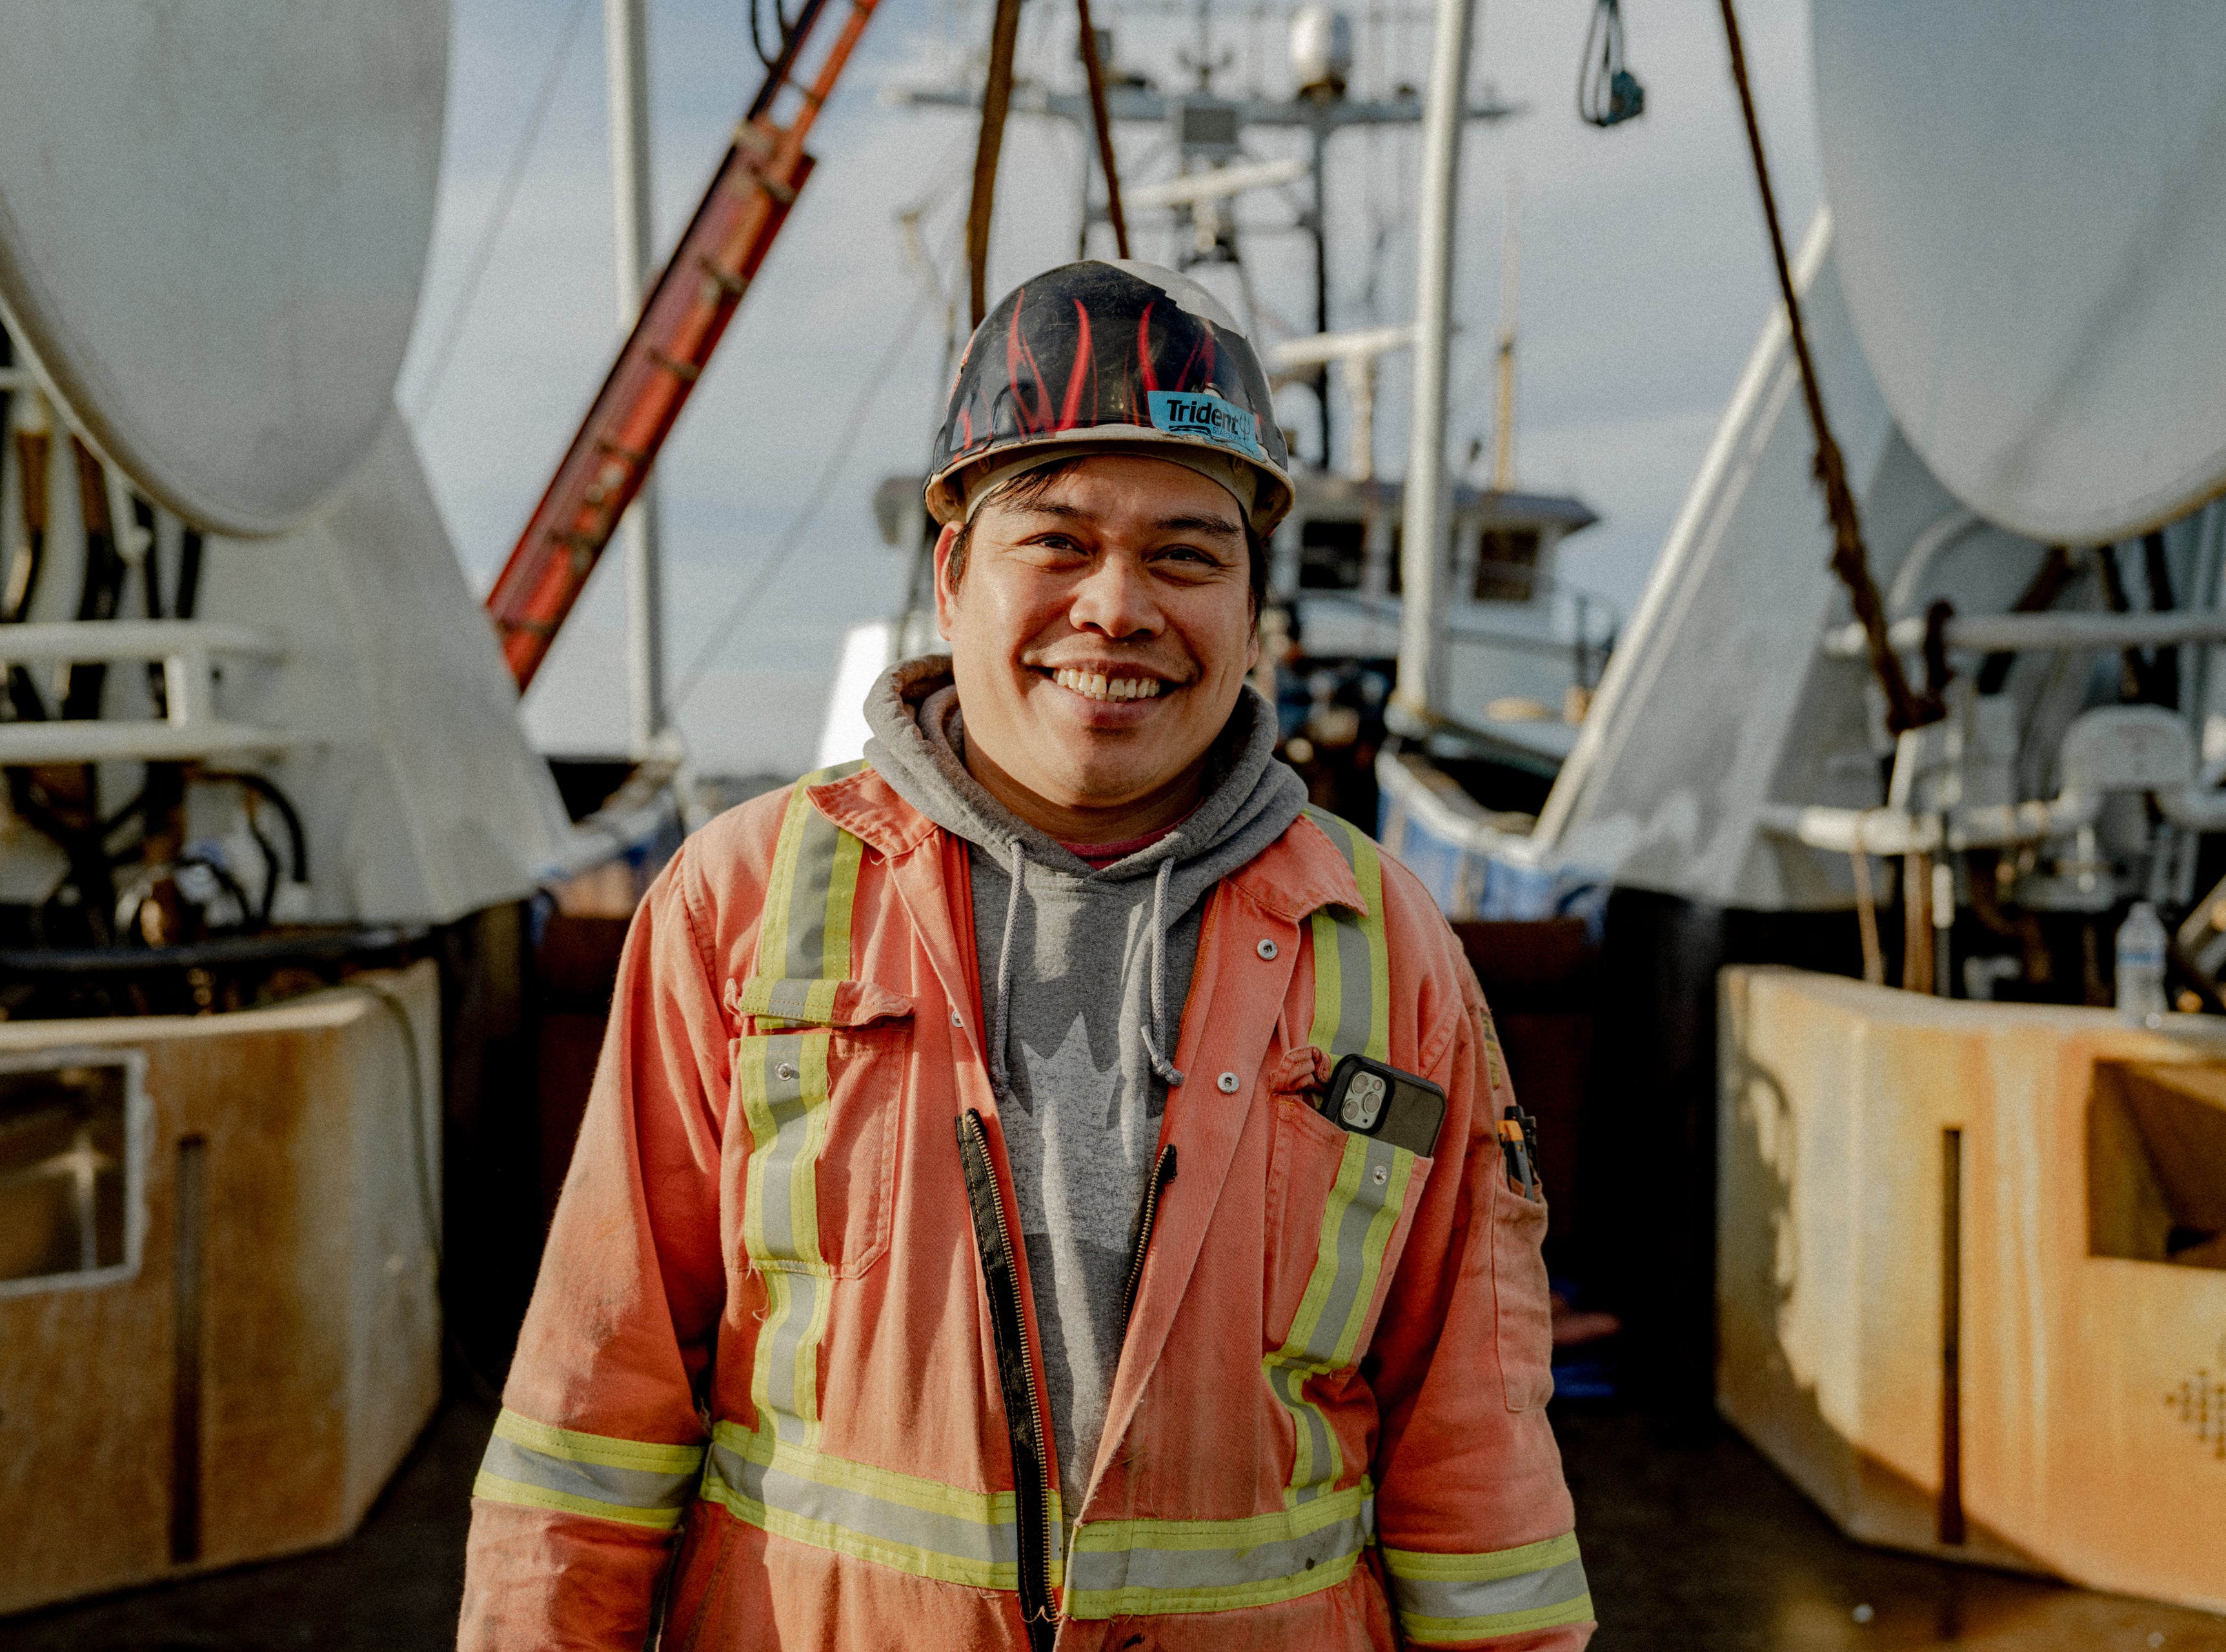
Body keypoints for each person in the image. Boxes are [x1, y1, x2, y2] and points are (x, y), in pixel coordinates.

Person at [458, 259, 1590, 1651]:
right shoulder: (736, 901)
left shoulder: (1388, 943)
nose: (1118, 607)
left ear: (1250, 611)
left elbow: (1475, 1447)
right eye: (1056, 541)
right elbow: (593, 1412)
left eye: (1186, 552)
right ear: (953, 578)